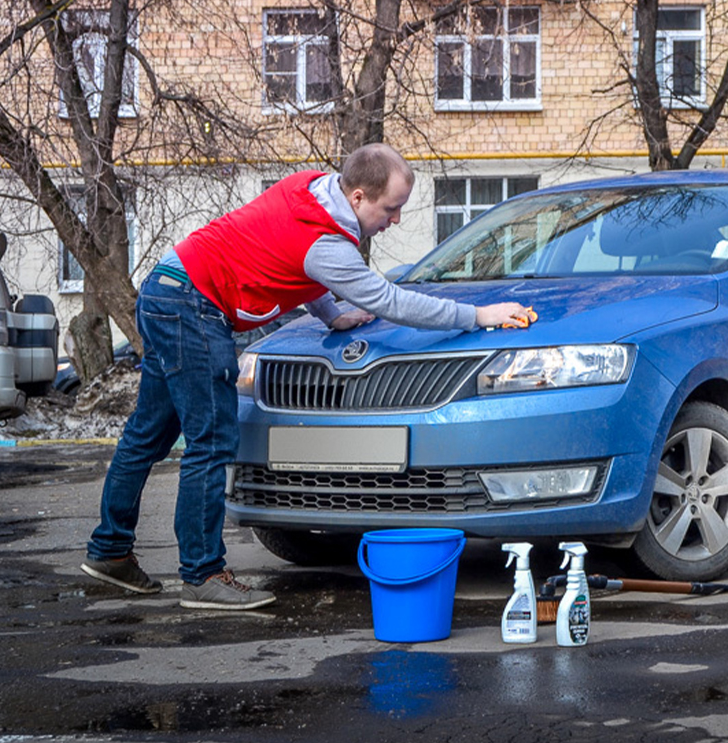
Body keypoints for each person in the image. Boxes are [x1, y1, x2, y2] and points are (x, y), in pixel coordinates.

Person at [81, 144, 529, 610]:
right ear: (357, 198)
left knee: (148, 435)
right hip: (194, 307)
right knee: (211, 441)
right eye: (390, 209)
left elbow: (292, 260)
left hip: (165, 288)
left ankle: (110, 552)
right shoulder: (328, 246)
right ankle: (202, 574)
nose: (394, 220)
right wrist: (480, 315)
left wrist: (331, 315)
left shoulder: (311, 187)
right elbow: (392, 302)